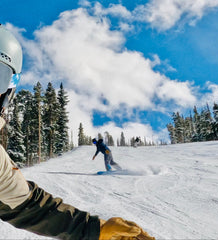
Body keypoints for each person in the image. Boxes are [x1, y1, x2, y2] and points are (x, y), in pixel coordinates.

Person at [0, 24, 154, 240]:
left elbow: (28, 206)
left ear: (8, 92)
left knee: (109, 161)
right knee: (109, 161)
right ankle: (114, 169)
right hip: (107, 153)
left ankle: (115, 169)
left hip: (108, 153)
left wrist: (96, 229)